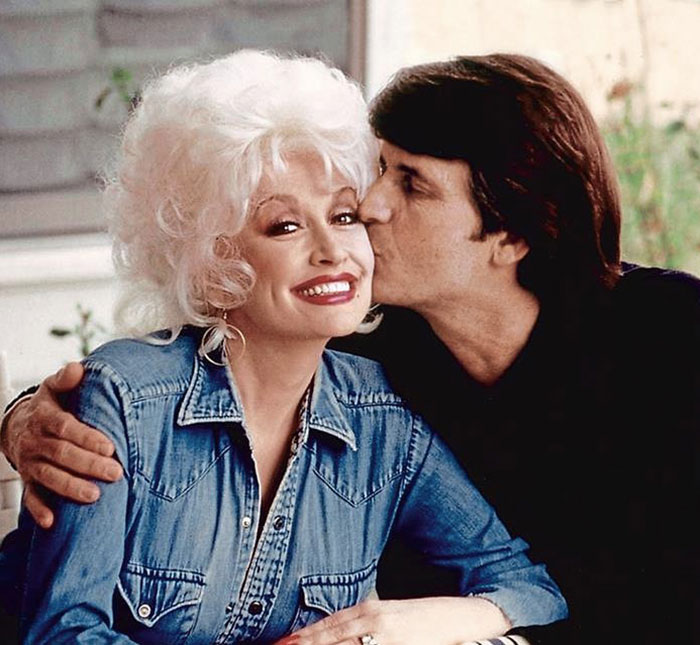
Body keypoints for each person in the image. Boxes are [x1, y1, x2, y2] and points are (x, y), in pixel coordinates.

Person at [3, 52, 698, 643]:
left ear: (511, 234)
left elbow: (549, 586)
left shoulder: (668, 336)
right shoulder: (378, 345)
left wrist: (431, 620)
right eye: (378, 171)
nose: (368, 208)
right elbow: (161, 381)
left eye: (411, 183)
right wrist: (26, 418)